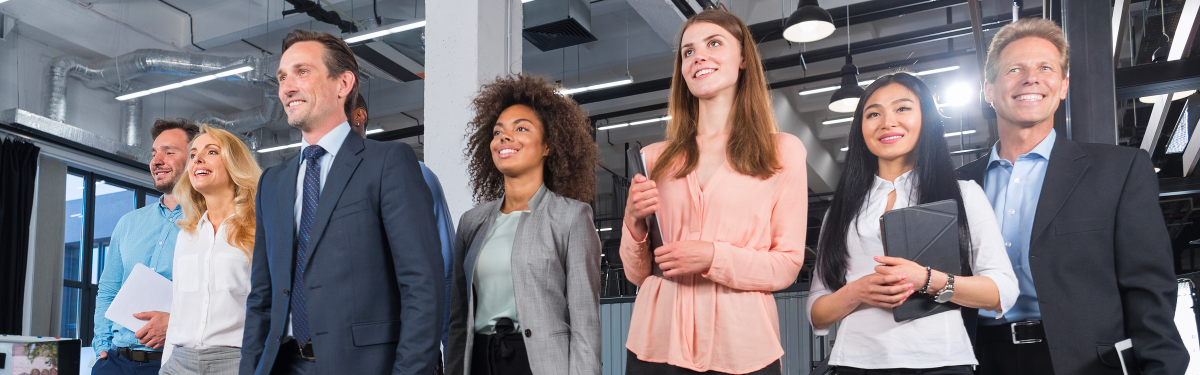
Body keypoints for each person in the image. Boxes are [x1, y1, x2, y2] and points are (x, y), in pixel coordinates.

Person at [955, 18, 1188, 375]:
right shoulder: (954, 186)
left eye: (1045, 68)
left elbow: (1149, 292)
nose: (1031, 78)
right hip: (979, 360)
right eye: (1014, 69)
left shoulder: (1118, 171)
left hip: (1085, 364)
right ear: (988, 90)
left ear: (1063, 86)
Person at [239, 29, 443, 375]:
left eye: (302, 72)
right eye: (282, 77)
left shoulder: (388, 163)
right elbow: (262, 295)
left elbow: (423, 286)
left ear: (343, 84)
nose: (287, 87)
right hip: (282, 364)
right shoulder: (272, 182)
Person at [620, 9, 808, 375]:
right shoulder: (653, 158)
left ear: (742, 59)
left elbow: (786, 265)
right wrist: (634, 224)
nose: (698, 57)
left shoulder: (783, 152)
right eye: (687, 52)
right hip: (656, 344)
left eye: (714, 43)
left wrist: (711, 256)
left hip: (741, 348)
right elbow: (638, 274)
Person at [805, 73, 1019, 374]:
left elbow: (1001, 290)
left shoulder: (965, 194)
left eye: (902, 108)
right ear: (860, 129)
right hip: (855, 363)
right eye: (873, 113)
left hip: (941, 361)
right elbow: (817, 311)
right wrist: (857, 291)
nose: (887, 122)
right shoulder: (841, 211)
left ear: (926, 119)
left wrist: (927, 279)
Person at [444, 74, 602, 375]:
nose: (504, 137)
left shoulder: (571, 217)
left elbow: (585, 322)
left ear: (548, 145)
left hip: (538, 363)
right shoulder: (471, 222)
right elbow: (458, 320)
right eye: (498, 131)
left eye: (521, 128)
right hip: (479, 360)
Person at [348, 93, 456, 350]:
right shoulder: (308, 183)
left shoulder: (414, 174)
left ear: (359, 115)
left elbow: (444, 268)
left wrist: (451, 349)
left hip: (399, 344)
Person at [92, 119, 199, 375]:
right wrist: (102, 350)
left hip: (175, 363)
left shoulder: (211, 223)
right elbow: (108, 290)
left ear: (194, 158)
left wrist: (175, 325)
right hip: (116, 362)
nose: (156, 160)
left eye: (169, 152)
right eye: (154, 153)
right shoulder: (129, 223)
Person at [160, 126, 261, 375]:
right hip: (179, 363)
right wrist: (165, 366)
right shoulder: (186, 236)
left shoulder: (259, 230)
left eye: (211, 152)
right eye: (193, 155)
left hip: (235, 363)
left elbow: (269, 307)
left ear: (234, 164)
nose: (198, 160)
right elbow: (178, 309)